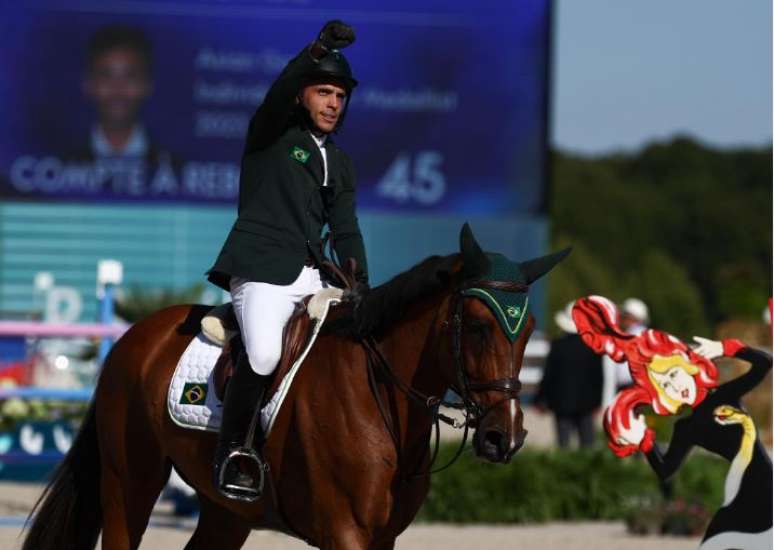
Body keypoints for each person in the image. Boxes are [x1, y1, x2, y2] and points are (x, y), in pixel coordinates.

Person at [206, 20, 369, 500]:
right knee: (264, 355)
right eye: (323, 92)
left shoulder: (340, 162)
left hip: (314, 275)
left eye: (340, 96)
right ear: (302, 96)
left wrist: (361, 282)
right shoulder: (271, 134)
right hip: (261, 270)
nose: (333, 104)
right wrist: (317, 49)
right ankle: (232, 452)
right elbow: (277, 91)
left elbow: (345, 228)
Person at [574, 296, 772, 549]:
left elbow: (765, 363)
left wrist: (726, 348)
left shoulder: (725, 395)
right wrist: (644, 441)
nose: (675, 385)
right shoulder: (686, 428)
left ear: (688, 367)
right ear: (659, 395)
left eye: (674, 374)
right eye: (664, 385)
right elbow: (665, 471)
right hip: (739, 496)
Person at [534, 301, 603, 448]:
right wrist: (597, 402)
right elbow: (598, 378)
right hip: (586, 403)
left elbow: (548, 375)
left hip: (561, 403)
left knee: (563, 445)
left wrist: (539, 399)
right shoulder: (592, 346)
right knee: (588, 445)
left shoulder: (558, 345)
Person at [601, 297, 649, 408]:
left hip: (631, 386)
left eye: (624, 316)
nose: (621, 319)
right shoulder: (643, 336)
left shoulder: (630, 336)